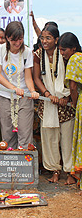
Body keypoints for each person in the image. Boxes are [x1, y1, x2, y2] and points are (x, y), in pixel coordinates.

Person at [33, 26, 75, 184]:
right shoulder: (38, 54)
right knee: (50, 139)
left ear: (56, 40)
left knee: (67, 139)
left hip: (65, 104)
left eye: (48, 38)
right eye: (42, 38)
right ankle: (54, 170)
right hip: (48, 103)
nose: (44, 41)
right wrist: (47, 94)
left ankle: (71, 172)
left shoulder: (64, 54)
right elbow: (36, 78)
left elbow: (72, 79)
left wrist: (67, 96)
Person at [0, 21, 39, 149]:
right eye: (14, 40)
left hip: (23, 97)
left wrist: (32, 90)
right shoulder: (0, 49)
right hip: (5, 96)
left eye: (20, 39)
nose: (18, 43)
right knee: (7, 135)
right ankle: (10, 165)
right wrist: (13, 88)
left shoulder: (27, 52)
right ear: (7, 38)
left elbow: (28, 77)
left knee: (25, 133)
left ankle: (25, 164)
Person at [59, 32, 82, 188]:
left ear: (73, 48)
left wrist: (74, 103)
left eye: (64, 50)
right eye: (60, 50)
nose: (62, 53)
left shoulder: (74, 59)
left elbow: (72, 87)